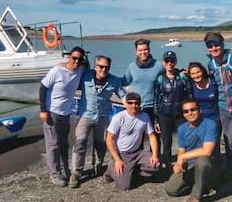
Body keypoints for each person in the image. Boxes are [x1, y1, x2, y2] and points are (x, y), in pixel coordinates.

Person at [69, 55, 127, 188]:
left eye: (107, 67)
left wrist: (132, 109)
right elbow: (70, 74)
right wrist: (65, 64)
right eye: (101, 66)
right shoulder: (85, 75)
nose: (103, 69)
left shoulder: (114, 81)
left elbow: (123, 96)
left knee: (101, 143)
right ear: (95, 66)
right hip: (86, 115)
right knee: (80, 142)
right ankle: (76, 173)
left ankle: (98, 166)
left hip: (103, 116)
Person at [203, 32, 232, 185]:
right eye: (210, 46)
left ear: (222, 43)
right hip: (223, 107)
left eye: (216, 44)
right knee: (229, 140)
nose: (214, 48)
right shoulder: (211, 64)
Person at [39, 46, 86, 187]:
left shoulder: (80, 71)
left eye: (79, 59)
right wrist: (43, 109)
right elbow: (43, 87)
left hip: (66, 113)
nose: (76, 61)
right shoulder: (57, 70)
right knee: (53, 144)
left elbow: (89, 69)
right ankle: (55, 174)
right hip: (52, 112)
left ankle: (66, 170)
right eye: (74, 58)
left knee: (64, 144)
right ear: (69, 57)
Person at [103, 92, 160, 190]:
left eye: (136, 103)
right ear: (126, 103)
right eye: (130, 103)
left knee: (156, 165)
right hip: (122, 154)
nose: (134, 106)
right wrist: (117, 160)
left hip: (138, 152)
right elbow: (109, 139)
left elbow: (151, 136)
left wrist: (154, 155)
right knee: (123, 187)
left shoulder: (144, 116)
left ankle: (132, 170)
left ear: (140, 104)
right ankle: (111, 169)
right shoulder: (119, 117)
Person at [164, 99, 218, 202]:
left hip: (208, 164)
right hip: (190, 165)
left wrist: (183, 157)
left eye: (193, 109)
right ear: (183, 114)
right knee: (171, 189)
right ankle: (201, 184)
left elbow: (207, 151)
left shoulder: (210, 124)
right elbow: (181, 150)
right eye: (186, 111)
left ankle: (195, 196)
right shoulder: (182, 129)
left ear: (199, 110)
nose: (190, 113)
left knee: (202, 162)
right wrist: (179, 163)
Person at [154, 50, 190, 168]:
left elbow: (190, 94)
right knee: (166, 141)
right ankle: (167, 163)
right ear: (163, 62)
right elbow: (156, 99)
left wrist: (190, 113)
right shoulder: (160, 79)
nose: (170, 63)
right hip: (165, 114)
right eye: (167, 61)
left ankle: (183, 161)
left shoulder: (182, 76)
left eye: (172, 61)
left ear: (175, 62)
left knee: (183, 139)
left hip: (180, 114)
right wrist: (156, 119)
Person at [121, 38, 164, 122]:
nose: (143, 52)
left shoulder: (159, 66)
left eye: (145, 49)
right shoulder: (131, 67)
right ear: (136, 52)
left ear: (149, 50)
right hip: (137, 107)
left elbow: (170, 75)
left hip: (155, 107)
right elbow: (123, 82)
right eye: (140, 50)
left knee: (154, 135)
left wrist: (184, 72)